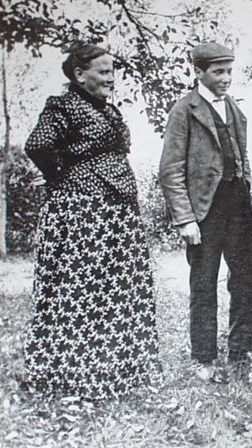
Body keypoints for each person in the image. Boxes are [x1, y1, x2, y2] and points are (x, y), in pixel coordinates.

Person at [23, 43, 159, 399]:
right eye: (103, 71)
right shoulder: (62, 106)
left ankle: (119, 368)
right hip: (84, 214)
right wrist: (62, 176)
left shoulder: (108, 110)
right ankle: (77, 374)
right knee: (84, 289)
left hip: (116, 211)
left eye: (113, 71)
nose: (111, 78)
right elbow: (37, 145)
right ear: (79, 75)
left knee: (116, 289)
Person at [159, 42, 252, 378]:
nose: (226, 78)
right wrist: (185, 219)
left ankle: (243, 350)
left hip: (238, 204)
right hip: (205, 210)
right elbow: (170, 170)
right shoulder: (184, 110)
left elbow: (242, 154)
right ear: (199, 72)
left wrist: (245, 181)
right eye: (218, 72)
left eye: (229, 71)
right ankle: (203, 357)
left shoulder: (233, 107)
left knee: (246, 279)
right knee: (204, 282)